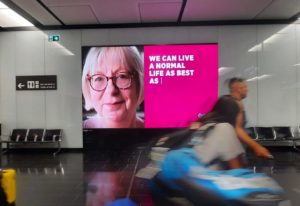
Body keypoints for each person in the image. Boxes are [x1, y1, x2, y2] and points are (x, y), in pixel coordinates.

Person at [82, 46, 144, 128]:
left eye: (122, 76)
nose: (111, 90)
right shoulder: (77, 130)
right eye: (99, 78)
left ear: (139, 83)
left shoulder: (156, 133)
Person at [228, 77, 272, 158]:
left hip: (235, 149)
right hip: (230, 151)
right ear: (238, 89)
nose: (247, 89)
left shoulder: (237, 103)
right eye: (244, 87)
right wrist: (257, 147)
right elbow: (237, 129)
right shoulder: (232, 103)